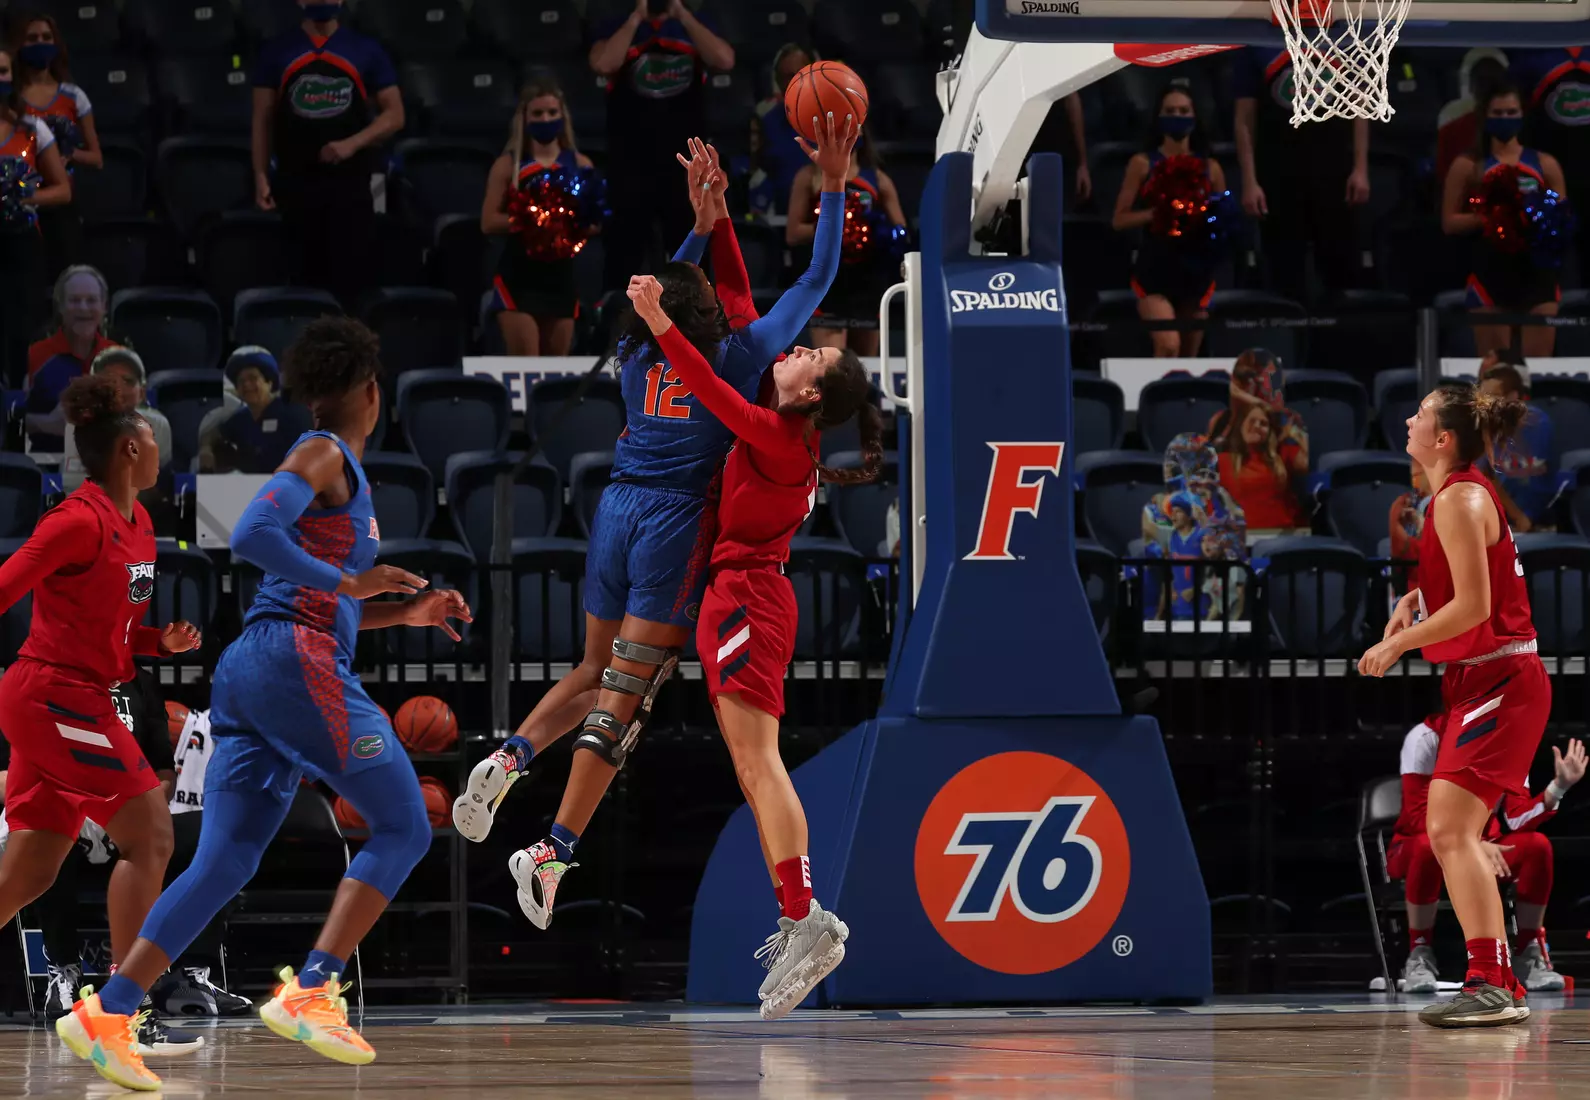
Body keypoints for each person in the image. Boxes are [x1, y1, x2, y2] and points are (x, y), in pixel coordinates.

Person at [453, 120, 854, 933]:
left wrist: (706, 226)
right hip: (677, 528)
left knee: (593, 665)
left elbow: (673, 290)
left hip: (615, 507)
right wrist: (833, 188)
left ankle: (510, 755)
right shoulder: (744, 363)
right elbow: (814, 275)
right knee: (624, 702)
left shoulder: (640, 349)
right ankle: (555, 846)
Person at [60, 318, 471, 1091]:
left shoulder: (339, 473)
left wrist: (398, 610)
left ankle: (109, 1012)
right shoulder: (322, 453)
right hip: (292, 662)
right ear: (371, 394)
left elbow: (317, 592)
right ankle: (315, 983)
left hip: (260, 666)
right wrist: (349, 583)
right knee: (406, 823)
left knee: (223, 862)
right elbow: (251, 530)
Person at [625, 267, 876, 1018]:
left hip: (747, 600)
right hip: (745, 599)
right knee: (750, 766)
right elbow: (738, 298)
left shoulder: (778, 434)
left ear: (811, 397)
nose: (799, 350)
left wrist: (657, 317)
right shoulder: (786, 424)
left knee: (760, 763)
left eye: (813, 360)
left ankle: (806, 919)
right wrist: (720, 212)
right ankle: (799, 916)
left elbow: (704, 384)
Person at [0, 374, 201, 1062]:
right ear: (124, 450)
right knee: (150, 839)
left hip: (78, 690)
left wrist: (155, 644)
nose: (157, 445)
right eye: (148, 437)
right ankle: (117, 1014)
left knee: (26, 876)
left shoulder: (140, 523)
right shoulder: (75, 519)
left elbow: (110, 629)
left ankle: (114, 1013)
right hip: (55, 694)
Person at [1358, 382, 1546, 1028]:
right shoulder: (1451, 496)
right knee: (1449, 832)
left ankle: (1492, 981)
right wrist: (1414, 602)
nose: (1408, 418)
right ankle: (1495, 981)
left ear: (1442, 439)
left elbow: (1475, 607)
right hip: (1485, 682)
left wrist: (1401, 644)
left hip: (1501, 680)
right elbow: (1459, 588)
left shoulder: (1460, 499)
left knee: (1448, 830)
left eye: (1420, 414)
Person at [1389, 720, 1583, 996]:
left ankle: (1529, 952)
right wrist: (1474, 843)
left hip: (1482, 844)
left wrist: (1558, 787)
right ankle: (1418, 954)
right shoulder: (1425, 737)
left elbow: (1516, 819)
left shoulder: (1511, 741)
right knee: (1425, 845)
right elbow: (1421, 818)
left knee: (1537, 846)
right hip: (1421, 842)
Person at [251, 0, 404, 311]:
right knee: (304, 286)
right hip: (297, 184)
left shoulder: (366, 50)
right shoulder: (276, 51)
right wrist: (260, 174)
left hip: (353, 185)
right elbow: (262, 119)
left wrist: (352, 143)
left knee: (352, 285)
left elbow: (395, 115)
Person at [590, 0, 734, 290]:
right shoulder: (615, 22)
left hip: (685, 167)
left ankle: (696, 326)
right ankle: (619, 324)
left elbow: (724, 59)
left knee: (692, 256)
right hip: (631, 163)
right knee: (625, 255)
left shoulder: (695, 22)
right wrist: (635, 18)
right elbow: (604, 63)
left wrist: (682, 15)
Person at [1232, 45, 1370, 305]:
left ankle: (1338, 344)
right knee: (1284, 276)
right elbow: (1244, 120)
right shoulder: (1256, 45)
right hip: (1277, 174)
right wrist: (1249, 181)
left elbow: (1360, 106)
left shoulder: (1345, 39)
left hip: (1334, 173)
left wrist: (1361, 169)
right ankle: (1288, 342)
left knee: (1341, 275)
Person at [1442, 83, 1567, 360]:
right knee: (1495, 378)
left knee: (1538, 372)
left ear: (1523, 114)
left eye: (1512, 112)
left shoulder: (1545, 164)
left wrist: (1534, 214)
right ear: (1485, 116)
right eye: (1498, 112)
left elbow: (1560, 219)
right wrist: (1493, 216)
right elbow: (1449, 223)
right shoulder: (1468, 165)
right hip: (1491, 275)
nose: (1505, 118)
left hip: (1538, 277)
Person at [481, 77, 596, 357]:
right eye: (538, 113)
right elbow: (488, 222)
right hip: (519, 276)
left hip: (561, 278)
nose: (546, 119)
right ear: (525, 117)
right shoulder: (509, 164)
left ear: (562, 115)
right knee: (528, 367)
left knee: (557, 374)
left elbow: (592, 223)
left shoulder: (581, 164)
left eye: (552, 113)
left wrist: (564, 221)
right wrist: (532, 220)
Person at [1112, 84, 1227, 358]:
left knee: (1189, 355)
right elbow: (1119, 220)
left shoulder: (1211, 168)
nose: (1178, 115)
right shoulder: (1142, 163)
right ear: (1158, 117)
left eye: (1184, 111)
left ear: (1195, 117)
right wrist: (1158, 213)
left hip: (1196, 272)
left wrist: (1203, 216)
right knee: (1168, 345)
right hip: (1155, 270)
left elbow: (1223, 220)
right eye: (1170, 111)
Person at [787, 125, 906, 357]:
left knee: (865, 367)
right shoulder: (809, 176)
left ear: (862, 133)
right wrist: (837, 229)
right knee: (829, 364)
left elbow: (901, 232)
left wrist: (875, 230)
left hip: (867, 282)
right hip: (827, 280)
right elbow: (793, 233)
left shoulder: (878, 179)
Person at [0, 48, 71, 387]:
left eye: (1, 71)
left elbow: (63, 190)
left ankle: (16, 414)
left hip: (22, 245)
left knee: (20, 334)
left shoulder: (33, 131)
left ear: (12, 77)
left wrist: (23, 195)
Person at [11, 13, 98, 280]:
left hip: (62, 208)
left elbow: (96, 157)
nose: (40, 43)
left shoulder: (73, 95)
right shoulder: (11, 98)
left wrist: (67, 156)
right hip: (22, 206)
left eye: (46, 38)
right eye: (32, 38)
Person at [25, 263, 114, 450]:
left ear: (104, 307)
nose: (83, 308)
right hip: (49, 465)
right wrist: (48, 423)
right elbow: (10, 422)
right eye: (74, 300)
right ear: (61, 308)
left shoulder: (118, 356)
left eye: (91, 300)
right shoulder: (36, 355)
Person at [1476, 354, 1554, 532]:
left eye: (1492, 397)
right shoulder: (1481, 425)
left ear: (1513, 396)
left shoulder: (1538, 423)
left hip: (1535, 522)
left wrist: (1523, 520)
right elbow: (1484, 478)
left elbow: (1533, 480)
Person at [215, 345, 311, 473]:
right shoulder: (239, 419)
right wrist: (206, 449)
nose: (247, 385)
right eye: (241, 381)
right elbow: (215, 435)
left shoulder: (293, 414)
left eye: (253, 378)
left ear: (269, 383)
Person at [1214, 403, 1308, 531]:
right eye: (1252, 421)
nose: (1257, 426)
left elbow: (1307, 463)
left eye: (1263, 424)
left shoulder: (1282, 455)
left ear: (1269, 432)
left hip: (1281, 536)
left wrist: (1294, 434)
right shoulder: (1221, 460)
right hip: (1240, 539)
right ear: (1241, 425)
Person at [751, 44, 818, 219]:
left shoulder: (839, 119)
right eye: (788, 77)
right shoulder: (769, 123)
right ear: (777, 83)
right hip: (785, 222)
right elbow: (765, 175)